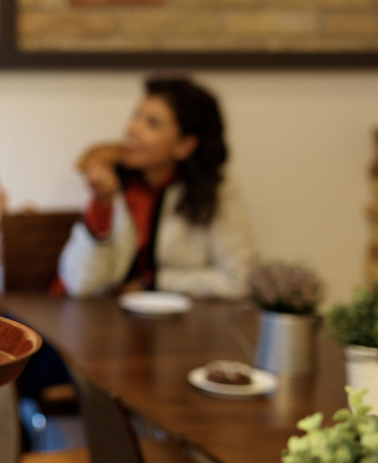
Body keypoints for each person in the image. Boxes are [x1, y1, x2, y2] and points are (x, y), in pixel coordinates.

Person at [58, 75, 256, 299]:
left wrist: (154, 282)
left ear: (184, 145)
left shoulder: (214, 189)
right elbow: (80, 284)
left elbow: (241, 279)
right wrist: (102, 204)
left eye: (152, 123)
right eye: (136, 115)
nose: (132, 128)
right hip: (107, 318)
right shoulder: (112, 182)